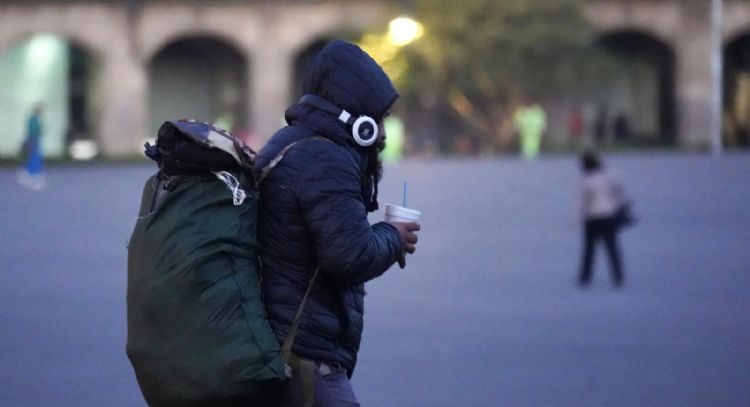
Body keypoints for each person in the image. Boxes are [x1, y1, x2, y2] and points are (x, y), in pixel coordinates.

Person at [254, 40, 420, 406]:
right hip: (303, 355)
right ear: (357, 122)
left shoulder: (291, 142)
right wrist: (393, 236)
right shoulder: (326, 159)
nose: (383, 133)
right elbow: (350, 255)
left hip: (276, 343)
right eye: (378, 120)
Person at [577, 151, 627, 288]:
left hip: (592, 219)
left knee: (589, 250)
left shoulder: (588, 181)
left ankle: (585, 277)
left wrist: (576, 218)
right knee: (612, 249)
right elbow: (619, 196)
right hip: (609, 218)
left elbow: (582, 202)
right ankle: (618, 276)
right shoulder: (609, 177)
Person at [17, 104, 46, 190]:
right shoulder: (33, 120)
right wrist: (41, 129)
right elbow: (34, 131)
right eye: (40, 110)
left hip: (34, 141)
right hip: (33, 141)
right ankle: (33, 178)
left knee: (34, 158)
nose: (41, 112)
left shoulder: (34, 119)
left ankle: (29, 175)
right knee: (34, 158)